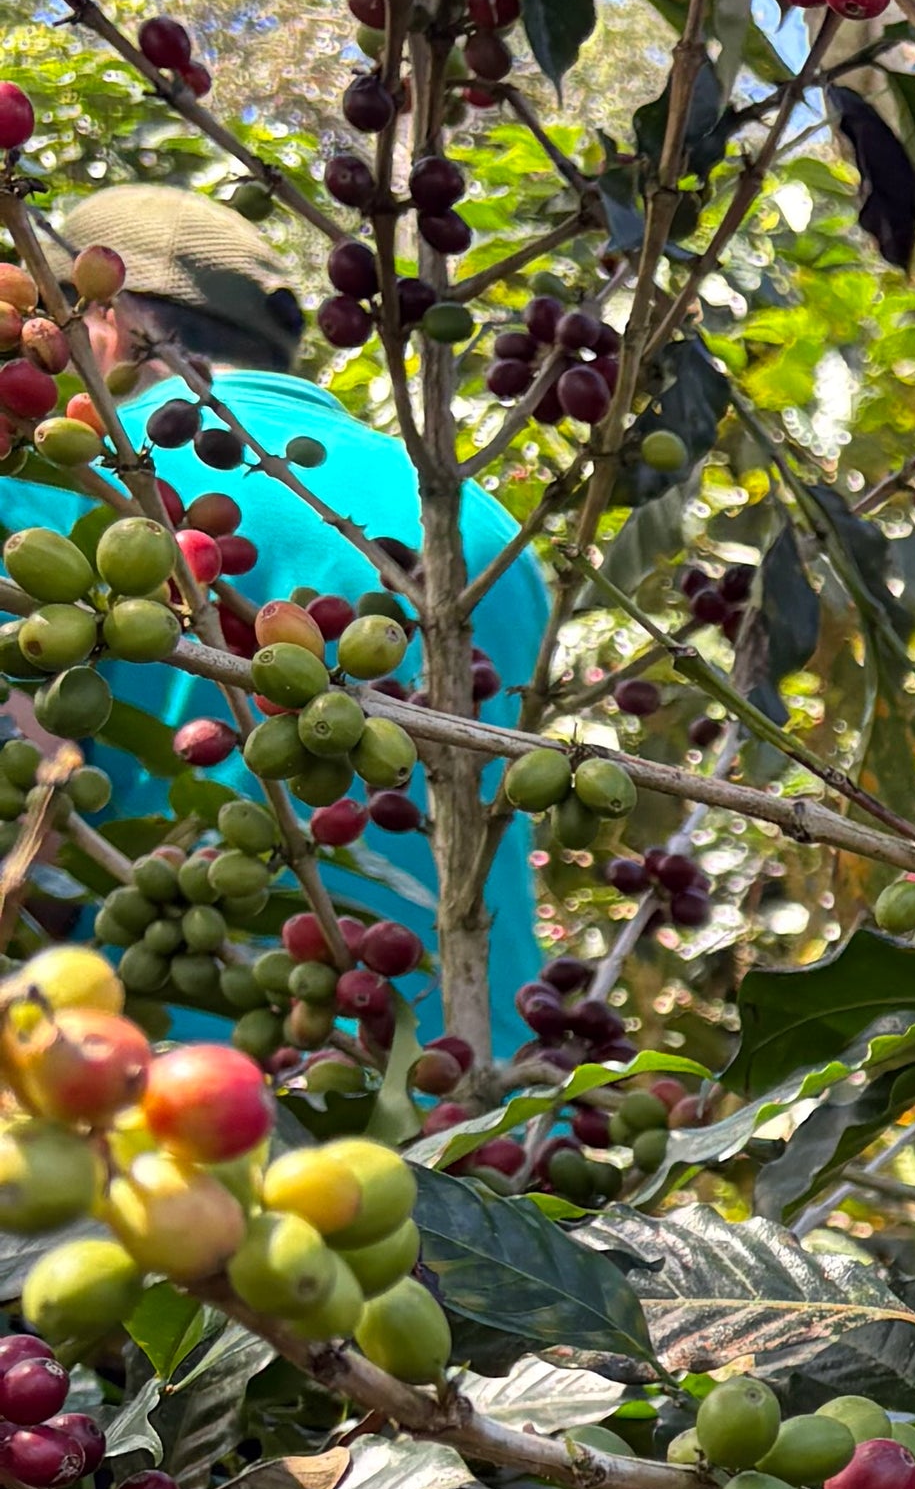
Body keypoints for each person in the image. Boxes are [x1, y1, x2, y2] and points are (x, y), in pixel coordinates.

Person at [51, 185, 549, 1052]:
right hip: (481, 1089)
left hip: (160, 1098)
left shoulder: (61, 488)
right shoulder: (488, 525)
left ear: (101, 327)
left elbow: (31, 841)